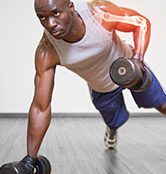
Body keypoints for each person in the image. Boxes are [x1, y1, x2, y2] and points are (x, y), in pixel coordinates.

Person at [2, 0, 166, 172]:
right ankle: (112, 127)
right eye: (42, 17)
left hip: (131, 70)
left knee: (162, 104)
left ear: (70, 6)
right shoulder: (48, 50)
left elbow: (140, 22)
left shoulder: (98, 14)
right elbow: (40, 107)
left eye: (56, 13)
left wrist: (138, 59)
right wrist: (30, 159)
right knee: (114, 120)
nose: (50, 24)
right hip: (102, 87)